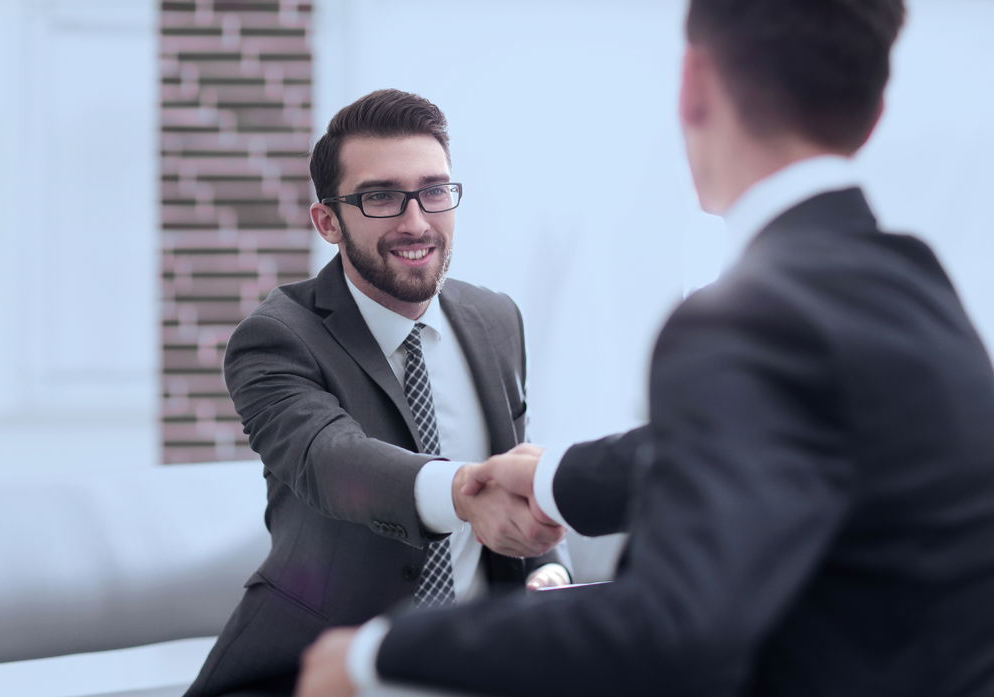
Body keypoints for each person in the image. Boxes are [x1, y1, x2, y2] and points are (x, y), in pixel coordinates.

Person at [295, 2, 994, 696]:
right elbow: (766, 443)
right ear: (871, 115)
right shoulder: (921, 286)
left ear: (693, 83)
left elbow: (671, 631)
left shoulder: (741, 321)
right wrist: (552, 478)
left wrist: (376, 656)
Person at [184, 89, 569, 697]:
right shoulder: (276, 337)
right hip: (317, 670)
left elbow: (512, 474)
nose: (415, 221)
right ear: (327, 221)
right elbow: (330, 460)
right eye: (380, 197)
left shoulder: (495, 319)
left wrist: (547, 568)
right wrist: (461, 493)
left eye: (434, 190)